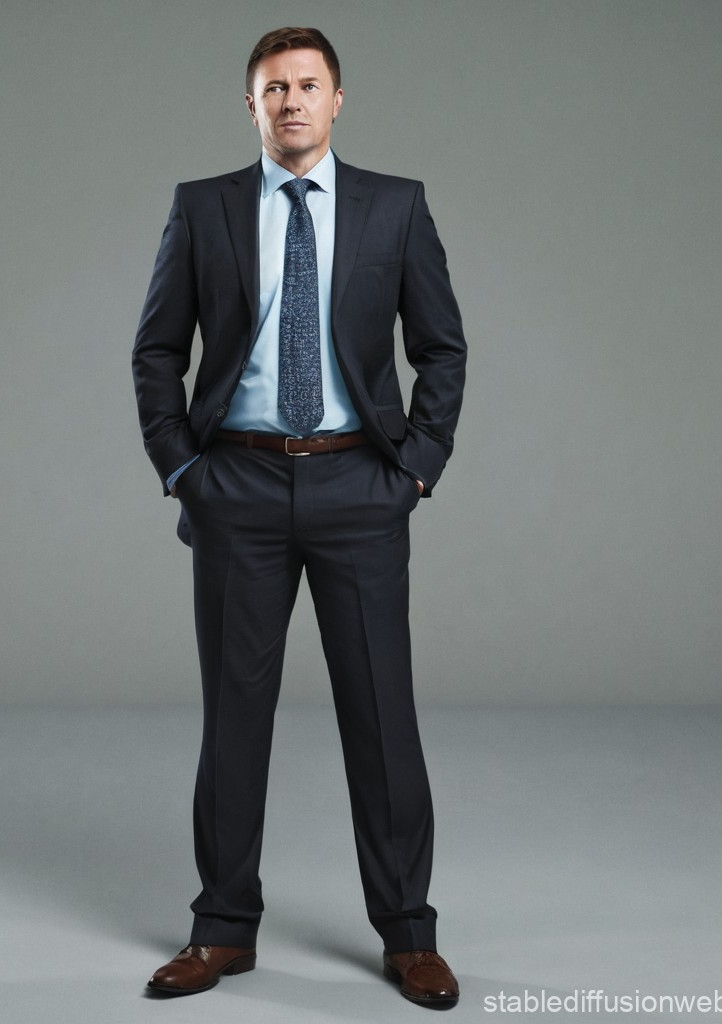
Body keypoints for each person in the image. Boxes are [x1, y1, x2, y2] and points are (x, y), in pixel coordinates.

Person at [132, 26, 467, 1008]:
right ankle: (221, 930)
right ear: (250, 106)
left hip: (359, 488)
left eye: (306, 85)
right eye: (271, 88)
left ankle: (409, 933)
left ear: (336, 99)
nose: (289, 102)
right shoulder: (203, 210)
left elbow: (441, 347)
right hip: (234, 487)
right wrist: (180, 467)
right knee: (233, 720)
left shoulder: (393, 208)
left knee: (381, 716)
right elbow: (156, 348)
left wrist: (416, 471)